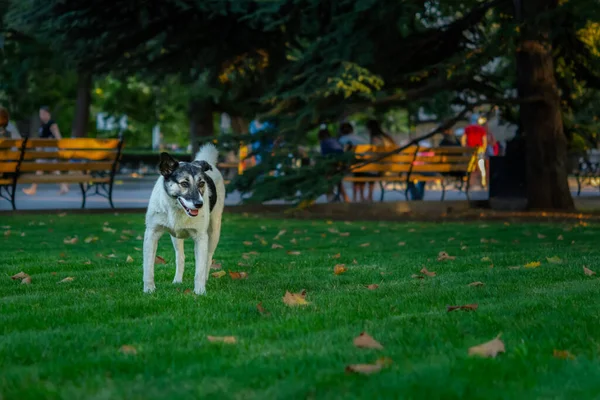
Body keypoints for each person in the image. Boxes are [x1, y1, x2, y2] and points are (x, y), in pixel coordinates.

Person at [22, 106, 69, 196]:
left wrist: (62, 147)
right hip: (46, 151)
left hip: (49, 151)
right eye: (40, 114)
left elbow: (57, 135)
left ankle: (33, 189)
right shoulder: (43, 125)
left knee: (41, 168)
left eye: (43, 113)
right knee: (53, 170)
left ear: (48, 114)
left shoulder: (52, 124)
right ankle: (63, 187)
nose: (41, 116)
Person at [365, 119, 396, 202]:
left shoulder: (376, 138)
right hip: (393, 166)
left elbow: (376, 154)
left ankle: (369, 196)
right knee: (371, 168)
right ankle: (369, 196)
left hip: (384, 168)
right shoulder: (386, 137)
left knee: (368, 169)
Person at [338, 122, 369, 202]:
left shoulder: (341, 140)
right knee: (360, 170)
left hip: (348, 165)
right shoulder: (362, 139)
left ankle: (350, 197)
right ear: (352, 130)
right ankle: (361, 196)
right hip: (365, 165)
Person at [318, 124, 349, 202]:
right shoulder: (335, 140)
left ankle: (330, 196)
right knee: (336, 178)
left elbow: (324, 157)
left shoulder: (324, 143)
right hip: (342, 165)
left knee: (327, 176)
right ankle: (345, 197)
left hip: (333, 166)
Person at [461, 113, 488, 188]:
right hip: (480, 149)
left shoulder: (468, 128)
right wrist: (484, 149)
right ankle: (483, 182)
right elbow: (484, 140)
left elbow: (463, 139)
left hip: (470, 149)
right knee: (481, 165)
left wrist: (464, 147)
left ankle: (468, 182)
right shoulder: (481, 129)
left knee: (470, 166)